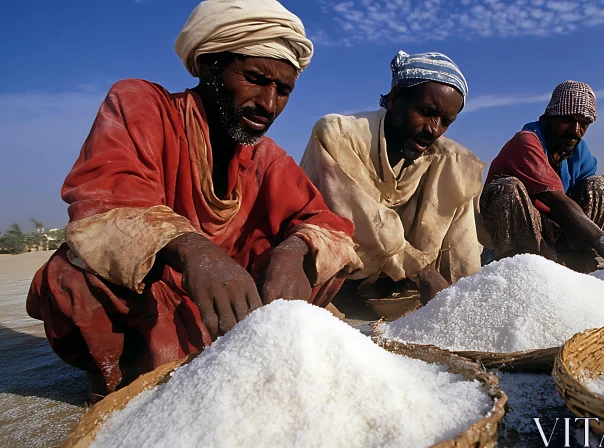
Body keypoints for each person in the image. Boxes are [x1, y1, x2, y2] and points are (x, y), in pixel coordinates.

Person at [26, 0, 362, 398]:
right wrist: (194, 251)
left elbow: (329, 225)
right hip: (154, 300)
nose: (268, 104)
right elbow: (104, 204)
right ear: (208, 65)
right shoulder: (140, 104)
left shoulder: (267, 156)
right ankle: (130, 375)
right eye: (255, 78)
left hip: (237, 307)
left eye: (283, 90)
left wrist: (293, 251)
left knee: (321, 262)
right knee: (70, 277)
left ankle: (223, 359)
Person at [300, 51, 484, 304]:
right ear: (396, 98)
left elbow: (462, 244)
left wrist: (465, 298)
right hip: (334, 282)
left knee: (457, 165)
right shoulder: (339, 134)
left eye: (446, 122)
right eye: (426, 112)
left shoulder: (451, 160)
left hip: (399, 290)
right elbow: (359, 216)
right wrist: (423, 271)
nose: (434, 129)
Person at [481, 81, 604, 272]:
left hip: (556, 231)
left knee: (599, 186)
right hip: (518, 234)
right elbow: (555, 199)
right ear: (547, 118)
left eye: (584, 124)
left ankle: (578, 256)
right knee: (507, 187)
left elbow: (585, 199)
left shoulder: (578, 151)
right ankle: (520, 263)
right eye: (568, 120)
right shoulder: (526, 142)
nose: (575, 131)